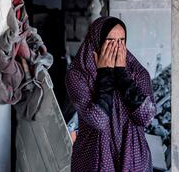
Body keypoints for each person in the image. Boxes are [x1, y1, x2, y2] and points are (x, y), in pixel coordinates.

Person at [65, 16, 156, 171]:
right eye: (110, 41)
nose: (116, 47)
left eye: (121, 41)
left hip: (133, 158)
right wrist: (105, 73)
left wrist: (122, 75)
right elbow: (98, 120)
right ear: (97, 41)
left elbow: (146, 117)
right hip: (93, 158)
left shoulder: (138, 73)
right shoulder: (78, 75)